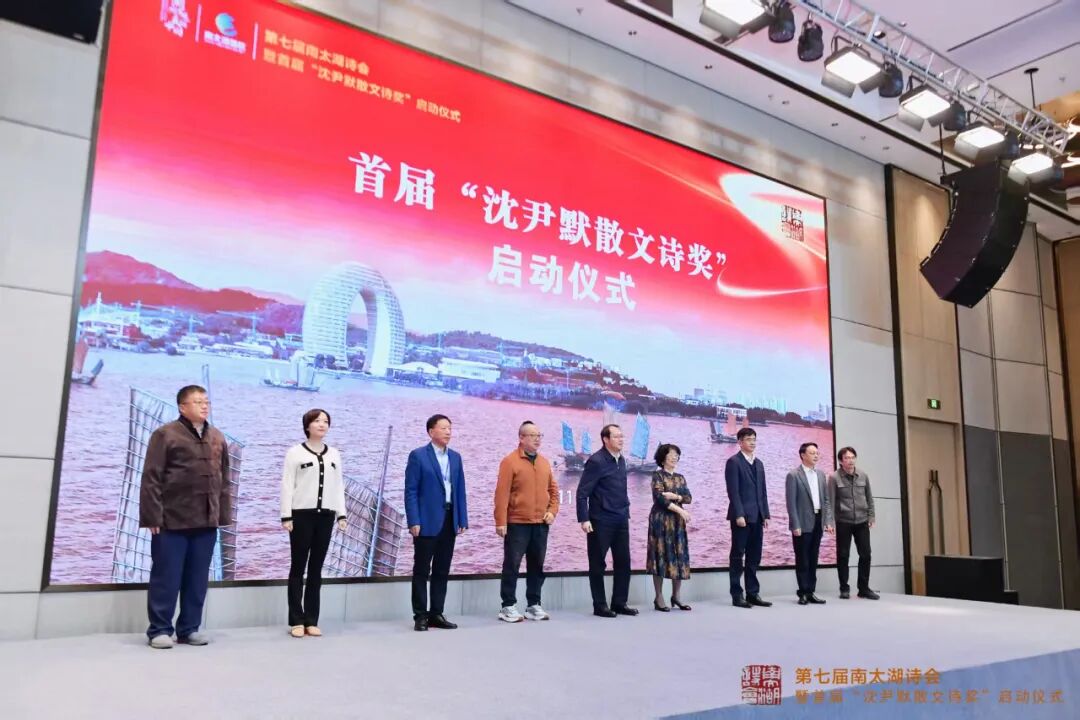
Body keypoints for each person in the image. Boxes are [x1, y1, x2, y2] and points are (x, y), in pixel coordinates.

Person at [140, 385, 231, 649]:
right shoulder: (165, 434)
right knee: (166, 578)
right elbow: (151, 478)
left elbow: (224, 480)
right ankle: (159, 630)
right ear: (182, 406)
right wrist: (152, 517)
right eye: (198, 401)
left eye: (206, 401)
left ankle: (189, 628)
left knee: (197, 579)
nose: (204, 406)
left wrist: (221, 516)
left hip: (206, 521)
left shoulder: (217, 436)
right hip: (172, 521)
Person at [280, 409, 347, 638]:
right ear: (307, 425)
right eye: (317, 421)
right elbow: (287, 484)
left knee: (316, 568)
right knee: (298, 567)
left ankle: (311, 619)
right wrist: (286, 515)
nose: (322, 424)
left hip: (326, 516)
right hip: (301, 515)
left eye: (326, 421)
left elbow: (338, 485)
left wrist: (341, 514)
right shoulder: (295, 453)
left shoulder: (334, 454)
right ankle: (296, 620)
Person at [405, 414, 468, 631]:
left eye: (450, 428)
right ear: (431, 432)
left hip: (449, 519)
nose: (448, 432)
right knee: (421, 570)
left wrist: (462, 518)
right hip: (426, 521)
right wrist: (414, 520)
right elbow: (411, 491)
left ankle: (436, 613)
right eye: (443, 428)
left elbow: (460, 489)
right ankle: (420, 615)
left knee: (442, 570)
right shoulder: (418, 456)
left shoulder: (456, 458)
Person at [493, 421, 559, 622]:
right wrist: (500, 521)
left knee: (537, 565)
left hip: (540, 523)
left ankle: (533, 604)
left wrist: (552, 512)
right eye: (532, 435)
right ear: (521, 438)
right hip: (517, 523)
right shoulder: (510, 461)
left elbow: (553, 491)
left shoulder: (544, 462)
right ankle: (508, 606)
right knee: (512, 565)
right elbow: (501, 494)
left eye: (539, 435)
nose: (537, 439)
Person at [577, 424, 638, 617]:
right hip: (600, 520)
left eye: (622, 436)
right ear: (606, 439)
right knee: (597, 564)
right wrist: (584, 519)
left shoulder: (622, 460)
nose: (621, 439)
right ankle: (600, 605)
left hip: (621, 518)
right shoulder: (596, 461)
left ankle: (619, 603)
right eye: (617, 436)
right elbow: (582, 493)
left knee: (623, 563)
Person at [725, 427, 772, 609]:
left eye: (754, 439)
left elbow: (763, 492)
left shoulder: (759, 463)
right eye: (748, 439)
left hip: (757, 517)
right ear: (740, 442)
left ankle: (753, 593)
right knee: (737, 556)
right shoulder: (733, 462)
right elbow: (733, 491)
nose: (752, 442)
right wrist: (739, 514)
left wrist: (765, 514)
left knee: (754, 556)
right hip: (741, 517)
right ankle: (737, 595)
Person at [825, 446, 878, 600]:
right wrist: (830, 522)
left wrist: (871, 517)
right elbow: (830, 501)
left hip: (862, 521)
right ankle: (844, 588)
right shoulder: (834, 477)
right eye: (847, 458)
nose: (850, 460)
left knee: (866, 554)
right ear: (841, 461)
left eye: (852, 457)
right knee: (843, 555)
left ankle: (864, 588)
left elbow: (869, 498)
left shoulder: (863, 475)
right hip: (843, 521)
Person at [646, 443, 692, 612]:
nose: (674, 457)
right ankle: (658, 597)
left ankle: (676, 596)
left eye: (676, 454)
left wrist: (675, 496)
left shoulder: (680, 477)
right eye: (671, 454)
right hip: (661, 521)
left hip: (677, 522)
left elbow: (688, 497)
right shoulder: (657, 475)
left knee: (679, 555)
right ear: (663, 457)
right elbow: (660, 499)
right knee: (659, 555)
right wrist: (679, 508)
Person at [785, 442, 826, 605]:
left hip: (818, 520)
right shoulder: (793, 475)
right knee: (802, 558)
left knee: (814, 557)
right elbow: (791, 503)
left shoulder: (821, 474)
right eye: (812, 453)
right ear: (803, 455)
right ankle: (802, 592)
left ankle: (810, 592)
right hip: (802, 523)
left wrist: (827, 520)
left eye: (817, 453)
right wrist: (795, 524)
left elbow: (826, 500)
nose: (816, 456)